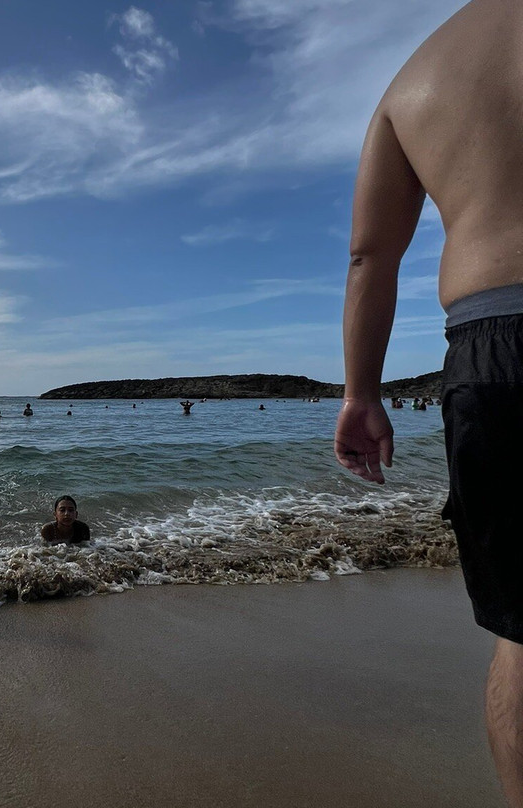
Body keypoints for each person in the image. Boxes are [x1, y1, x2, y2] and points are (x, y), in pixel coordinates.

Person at [334, 4, 523, 802]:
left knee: (521, 639)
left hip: (488, 350)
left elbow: (370, 257)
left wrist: (361, 394)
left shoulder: (416, 74)